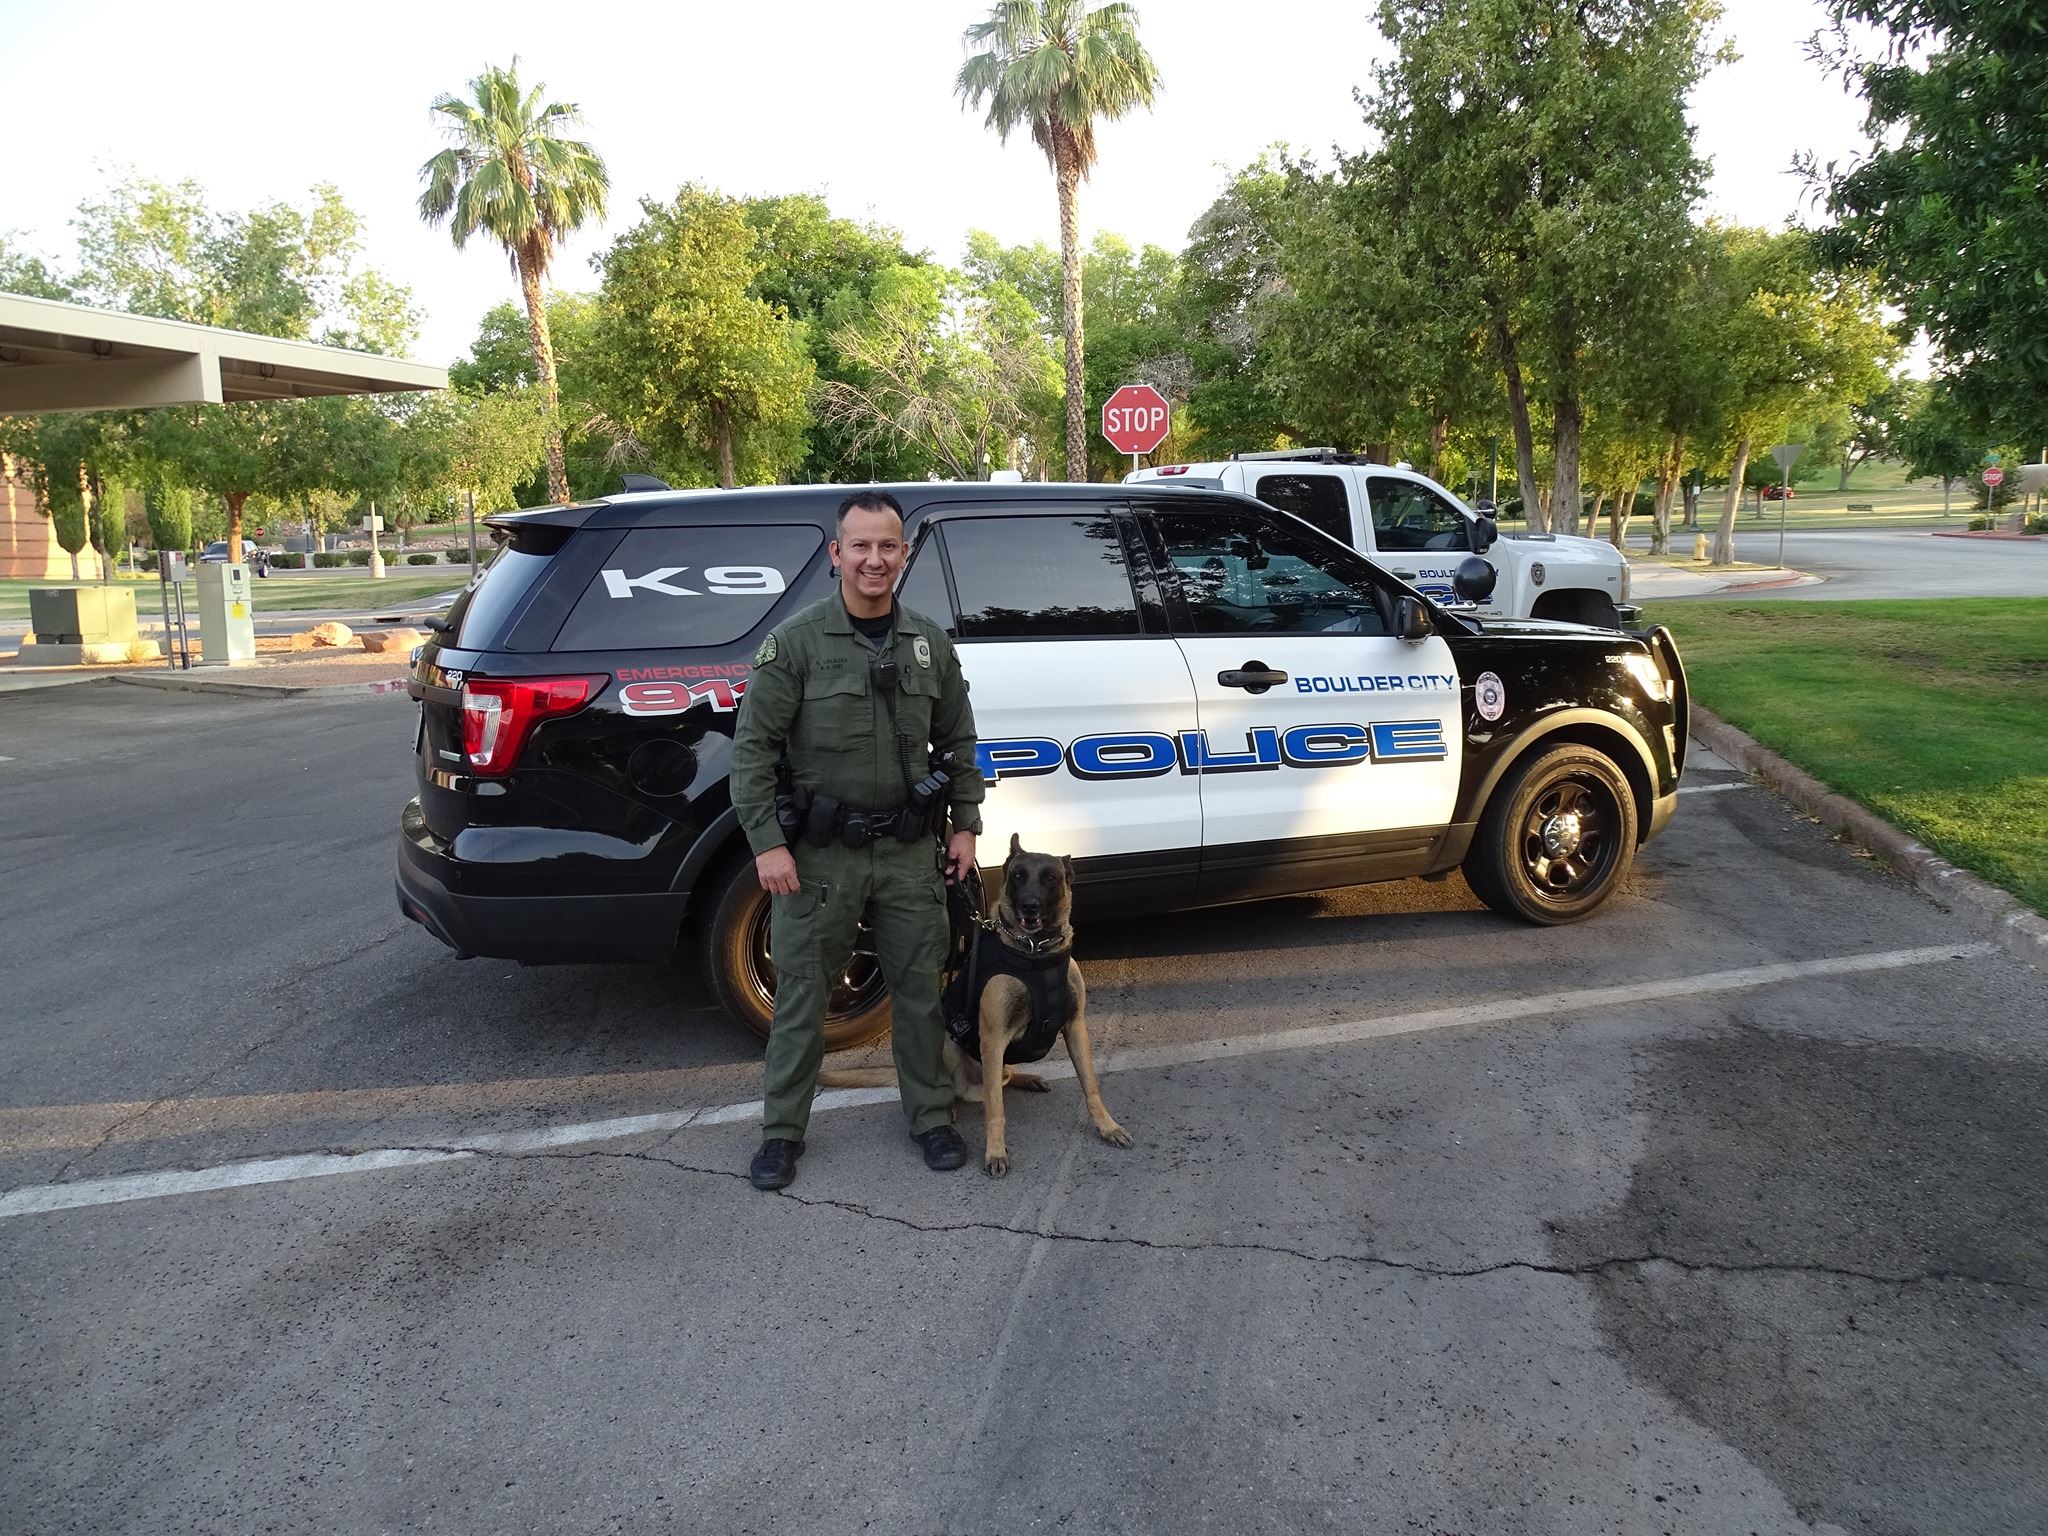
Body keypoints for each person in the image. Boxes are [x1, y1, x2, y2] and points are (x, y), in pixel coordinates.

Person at [730, 490, 985, 1190]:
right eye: (861, 546)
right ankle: (782, 1132)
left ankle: (932, 1118)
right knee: (804, 997)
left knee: (918, 991)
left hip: (908, 854)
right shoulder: (798, 644)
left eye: (888, 546)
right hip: (821, 858)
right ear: (837, 554)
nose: (875, 559)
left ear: (904, 555)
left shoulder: (928, 643)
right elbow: (753, 750)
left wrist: (965, 824)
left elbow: (959, 739)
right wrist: (766, 845)